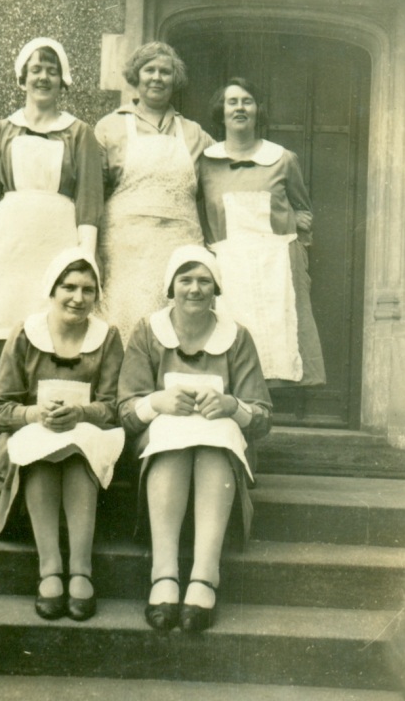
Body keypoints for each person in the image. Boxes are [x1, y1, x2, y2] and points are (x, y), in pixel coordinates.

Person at [118, 245, 271, 632]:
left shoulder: (236, 337)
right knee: (172, 439)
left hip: (220, 451)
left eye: (205, 280)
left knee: (216, 439)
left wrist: (231, 405)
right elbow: (125, 413)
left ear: (217, 288)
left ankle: (204, 576)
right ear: (171, 286)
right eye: (185, 279)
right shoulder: (147, 332)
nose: (195, 289)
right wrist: (158, 401)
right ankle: (164, 573)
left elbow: (263, 418)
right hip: (162, 445)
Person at [0, 248, 124, 622]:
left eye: (88, 289)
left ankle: (81, 569)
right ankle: (50, 569)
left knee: (78, 449)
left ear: (97, 295)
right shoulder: (25, 333)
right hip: (34, 433)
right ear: (52, 288)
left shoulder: (107, 337)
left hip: (88, 435)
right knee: (42, 452)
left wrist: (81, 412)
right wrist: (34, 413)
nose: (78, 298)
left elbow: (113, 405)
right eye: (68, 287)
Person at [0, 37, 103, 366]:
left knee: (51, 327)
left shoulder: (79, 133)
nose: (43, 77)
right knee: (8, 326)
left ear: (64, 81)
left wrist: (85, 258)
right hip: (9, 246)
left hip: (56, 242)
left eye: (52, 70)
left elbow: (89, 203)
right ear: (23, 78)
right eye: (36, 70)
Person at [199, 77, 325, 387]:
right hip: (230, 269)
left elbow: (303, 209)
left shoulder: (282, 159)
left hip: (276, 269)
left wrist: (294, 245)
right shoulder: (206, 163)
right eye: (232, 102)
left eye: (247, 101)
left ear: (258, 110)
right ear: (221, 111)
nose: (240, 108)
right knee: (232, 351)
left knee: (278, 348)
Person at [95, 41, 213, 345]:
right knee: (125, 323)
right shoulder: (110, 128)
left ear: (176, 80)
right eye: (150, 70)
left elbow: (219, 185)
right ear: (136, 76)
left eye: (165, 71)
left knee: (176, 326)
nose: (157, 78)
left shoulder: (195, 133)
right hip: (125, 248)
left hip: (179, 246)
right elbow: (93, 194)